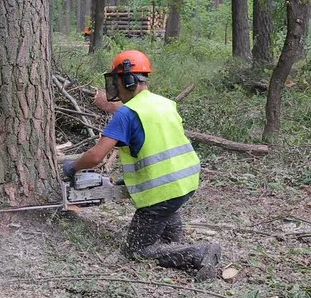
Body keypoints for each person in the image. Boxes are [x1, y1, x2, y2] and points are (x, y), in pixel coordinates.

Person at [63, 50, 221, 281]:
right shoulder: (165, 104)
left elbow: (96, 156)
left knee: (136, 250)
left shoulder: (127, 114)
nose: (114, 88)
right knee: (167, 224)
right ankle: (175, 243)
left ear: (127, 80)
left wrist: (73, 167)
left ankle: (200, 253)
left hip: (162, 190)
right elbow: (156, 144)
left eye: (116, 81)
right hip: (185, 181)